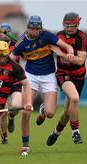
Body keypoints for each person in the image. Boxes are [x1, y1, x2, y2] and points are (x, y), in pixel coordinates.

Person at [10, 15, 75, 155]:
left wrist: (69, 53)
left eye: (38, 29)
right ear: (28, 28)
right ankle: (25, 145)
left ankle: (42, 110)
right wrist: (18, 66)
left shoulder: (47, 36)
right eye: (33, 29)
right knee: (25, 111)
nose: (36, 32)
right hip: (31, 77)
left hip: (49, 76)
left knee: (51, 113)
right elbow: (11, 60)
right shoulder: (21, 42)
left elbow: (67, 46)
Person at [46, 12, 87, 146]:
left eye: (72, 26)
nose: (69, 28)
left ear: (77, 24)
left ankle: (56, 132)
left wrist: (61, 54)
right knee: (74, 98)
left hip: (79, 76)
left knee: (67, 112)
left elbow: (80, 61)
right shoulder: (58, 36)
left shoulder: (82, 38)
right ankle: (75, 131)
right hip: (63, 74)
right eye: (66, 26)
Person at [0, 23, 21, 144]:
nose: (4, 34)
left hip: (15, 81)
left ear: (10, 33)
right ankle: (4, 136)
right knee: (2, 112)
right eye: (2, 31)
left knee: (16, 107)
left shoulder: (17, 46)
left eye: (7, 31)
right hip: (1, 83)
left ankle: (12, 117)